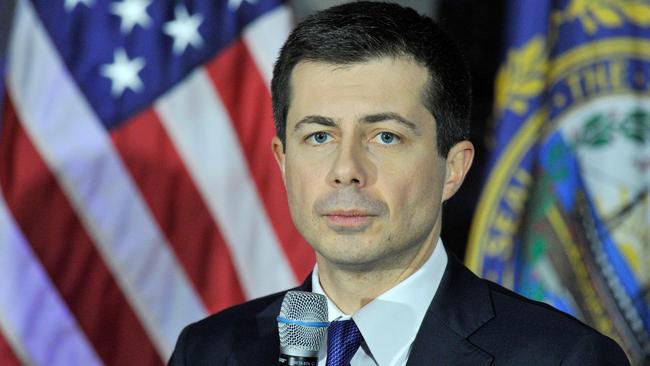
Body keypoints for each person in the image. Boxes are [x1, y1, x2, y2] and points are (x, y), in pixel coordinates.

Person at [168, 2, 630, 365]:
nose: (346, 168)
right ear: (283, 161)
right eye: (319, 136)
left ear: (453, 167)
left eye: (385, 137)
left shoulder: (562, 357)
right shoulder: (210, 351)